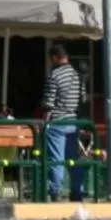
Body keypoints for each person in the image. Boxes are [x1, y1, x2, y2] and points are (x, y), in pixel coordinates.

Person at [40, 44, 84, 201]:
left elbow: (48, 104)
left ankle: (55, 190)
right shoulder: (77, 75)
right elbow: (83, 98)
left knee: (56, 158)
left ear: (53, 58)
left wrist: (45, 123)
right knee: (73, 158)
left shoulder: (54, 75)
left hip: (57, 122)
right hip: (73, 121)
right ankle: (77, 190)